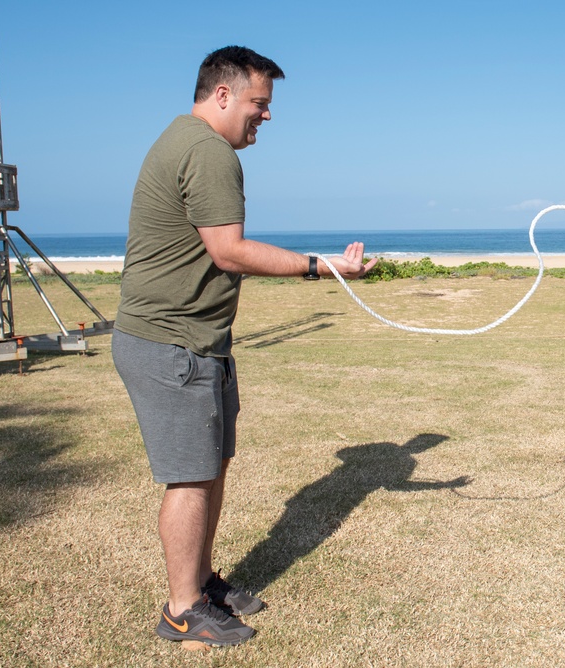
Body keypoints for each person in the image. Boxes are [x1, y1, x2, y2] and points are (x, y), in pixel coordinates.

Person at [112, 45, 378, 646]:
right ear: (223, 94)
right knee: (188, 476)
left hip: (197, 343)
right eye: (260, 103)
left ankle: (201, 582)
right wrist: (321, 267)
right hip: (170, 343)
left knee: (210, 467)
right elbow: (228, 250)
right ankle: (183, 609)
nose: (266, 116)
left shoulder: (188, 140)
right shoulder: (207, 151)